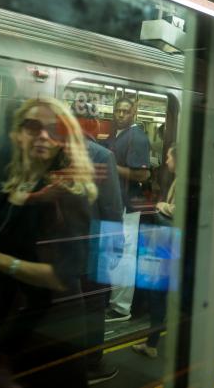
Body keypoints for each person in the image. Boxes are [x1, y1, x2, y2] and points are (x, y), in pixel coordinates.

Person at [0, 98, 96, 388]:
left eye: (53, 130)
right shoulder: (16, 183)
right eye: (33, 126)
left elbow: (63, 276)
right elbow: (6, 244)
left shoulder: (66, 194)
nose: (42, 135)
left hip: (45, 324)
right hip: (6, 311)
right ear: (18, 133)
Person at [71, 100, 124, 384]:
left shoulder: (58, 151)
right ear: (94, 124)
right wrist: (116, 247)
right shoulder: (102, 155)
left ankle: (68, 360)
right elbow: (112, 208)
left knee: (69, 305)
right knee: (94, 306)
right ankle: (91, 364)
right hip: (93, 247)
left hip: (64, 246)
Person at [102, 97, 151, 323]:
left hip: (128, 205)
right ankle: (113, 300)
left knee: (125, 257)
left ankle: (121, 308)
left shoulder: (137, 137)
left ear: (134, 113)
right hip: (116, 203)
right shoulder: (119, 136)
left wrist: (110, 166)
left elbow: (142, 174)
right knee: (115, 254)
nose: (121, 115)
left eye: (125, 111)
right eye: (118, 111)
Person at [132, 145, 177, 359]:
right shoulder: (181, 179)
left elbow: (180, 209)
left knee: (158, 293)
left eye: (168, 157)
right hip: (172, 244)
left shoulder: (184, 181)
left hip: (169, 243)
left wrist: (161, 206)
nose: (166, 161)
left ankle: (152, 344)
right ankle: (152, 342)